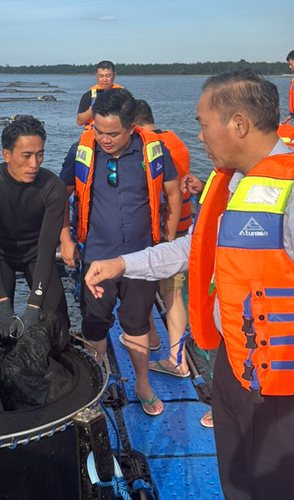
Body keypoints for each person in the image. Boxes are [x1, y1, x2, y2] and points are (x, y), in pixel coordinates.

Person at [83, 70, 294, 499]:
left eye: (203, 124)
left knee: (282, 490)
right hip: (235, 368)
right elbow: (195, 249)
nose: (199, 137)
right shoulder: (239, 181)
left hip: (281, 389)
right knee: (237, 484)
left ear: (238, 124)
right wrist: (121, 264)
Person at [60, 88, 181, 417]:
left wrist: (169, 241)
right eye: (98, 130)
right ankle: (98, 381)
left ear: (131, 127)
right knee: (95, 322)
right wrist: (66, 239)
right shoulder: (82, 151)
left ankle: (142, 384)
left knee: (137, 323)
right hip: (96, 257)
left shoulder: (154, 152)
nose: (104, 139)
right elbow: (61, 197)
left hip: (141, 259)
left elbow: (172, 192)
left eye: (112, 133)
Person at [0, 116, 68, 337]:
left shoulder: (53, 188)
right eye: (26, 156)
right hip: (0, 255)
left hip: (36, 255)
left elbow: (46, 250)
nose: (34, 164)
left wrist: (33, 306)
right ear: (7, 155)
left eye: (39, 154)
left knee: (57, 322)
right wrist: (1, 300)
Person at [134, 99, 192, 377]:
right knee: (174, 294)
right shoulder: (176, 140)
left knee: (143, 285)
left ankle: (155, 341)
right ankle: (175, 355)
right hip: (182, 227)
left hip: (160, 229)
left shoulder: (147, 147)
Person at [76, 60, 122, 130]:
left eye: (108, 76)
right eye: (101, 76)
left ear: (114, 75)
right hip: (93, 134)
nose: (104, 79)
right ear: (96, 76)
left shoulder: (122, 95)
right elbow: (79, 122)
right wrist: (93, 109)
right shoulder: (89, 95)